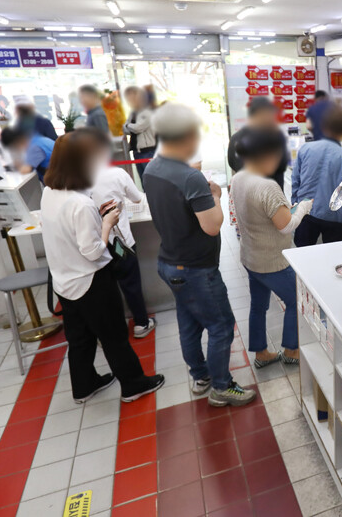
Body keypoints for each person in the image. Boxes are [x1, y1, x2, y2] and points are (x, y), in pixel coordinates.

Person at [143, 102, 256, 408]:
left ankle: (200, 375)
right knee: (221, 325)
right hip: (196, 268)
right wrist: (216, 196)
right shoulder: (190, 178)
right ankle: (222, 386)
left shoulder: (152, 168)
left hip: (169, 262)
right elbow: (212, 225)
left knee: (189, 323)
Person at [41, 129, 164, 403]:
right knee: (114, 336)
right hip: (91, 282)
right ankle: (133, 385)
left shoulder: (50, 193)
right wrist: (107, 222)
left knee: (79, 337)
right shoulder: (80, 204)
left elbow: (69, 232)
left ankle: (84, 386)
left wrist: (98, 216)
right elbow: (94, 251)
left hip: (64, 281)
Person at [230, 127, 312, 368]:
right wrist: (304, 208)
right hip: (273, 261)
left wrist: (289, 209)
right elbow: (286, 226)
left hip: (251, 257)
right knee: (295, 299)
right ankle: (291, 350)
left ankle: (262, 353)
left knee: (258, 307)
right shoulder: (267, 187)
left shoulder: (238, 177)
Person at [91, 159, 156, 339]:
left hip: (93, 242)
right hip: (120, 240)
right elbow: (137, 198)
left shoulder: (75, 179)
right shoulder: (117, 174)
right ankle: (141, 323)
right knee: (131, 284)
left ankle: (110, 332)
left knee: (104, 289)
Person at [292, 104, 342, 247]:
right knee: (332, 258)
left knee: (302, 255)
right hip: (333, 217)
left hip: (305, 213)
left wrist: (296, 206)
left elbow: (295, 182)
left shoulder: (305, 149)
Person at [227, 97, 289, 189]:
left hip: (243, 193)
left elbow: (231, 162)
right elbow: (282, 165)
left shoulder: (235, 138)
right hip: (269, 194)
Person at [122, 86, 156, 180]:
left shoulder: (147, 111)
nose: (130, 100)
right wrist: (128, 126)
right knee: (143, 180)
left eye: (132, 97)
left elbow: (138, 128)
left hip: (148, 152)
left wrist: (128, 126)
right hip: (137, 152)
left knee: (151, 181)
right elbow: (125, 129)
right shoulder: (133, 112)